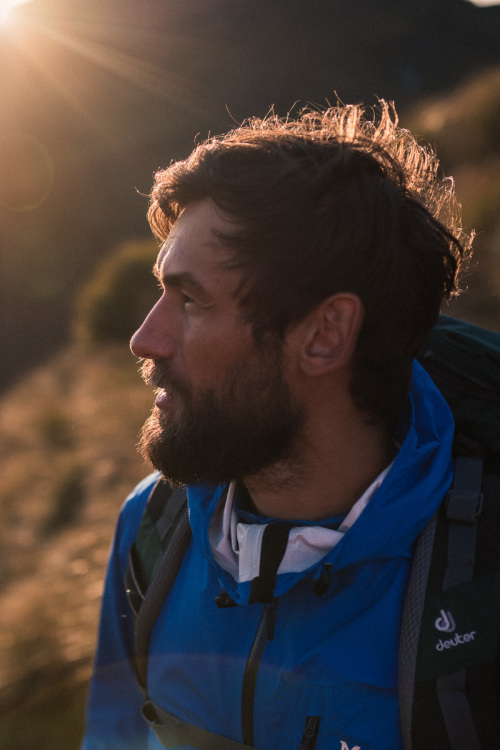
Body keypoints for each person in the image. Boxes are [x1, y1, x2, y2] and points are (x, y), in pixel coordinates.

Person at [81, 101, 472, 750]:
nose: (143, 339)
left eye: (191, 300)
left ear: (323, 335)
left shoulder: (478, 579)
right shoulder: (150, 531)